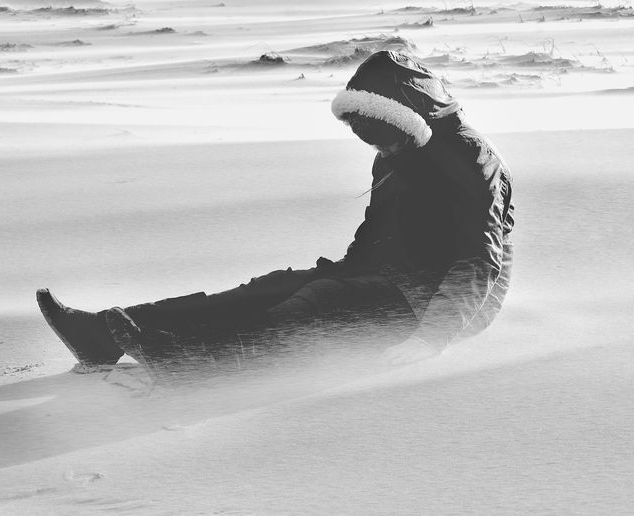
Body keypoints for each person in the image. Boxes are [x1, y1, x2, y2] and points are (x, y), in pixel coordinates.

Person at [37, 50, 514, 376]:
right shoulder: (396, 153)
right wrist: (346, 270)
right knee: (272, 287)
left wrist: (431, 338)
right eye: (366, 136)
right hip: (394, 275)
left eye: (382, 134)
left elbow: (478, 259)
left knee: (310, 306)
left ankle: (203, 363)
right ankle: (102, 334)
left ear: (410, 117)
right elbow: (377, 229)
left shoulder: (472, 161)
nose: (376, 147)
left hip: (448, 302)